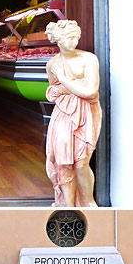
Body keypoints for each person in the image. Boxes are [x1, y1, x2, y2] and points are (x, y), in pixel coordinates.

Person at [45, 19, 102, 207]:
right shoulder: (52, 64)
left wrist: (64, 80)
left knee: (81, 163)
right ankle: (67, 205)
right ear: (59, 41)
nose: (75, 41)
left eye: (76, 37)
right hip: (63, 114)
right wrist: (73, 86)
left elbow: (90, 92)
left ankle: (88, 201)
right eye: (70, 38)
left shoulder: (88, 59)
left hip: (85, 113)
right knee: (63, 162)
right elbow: (53, 92)